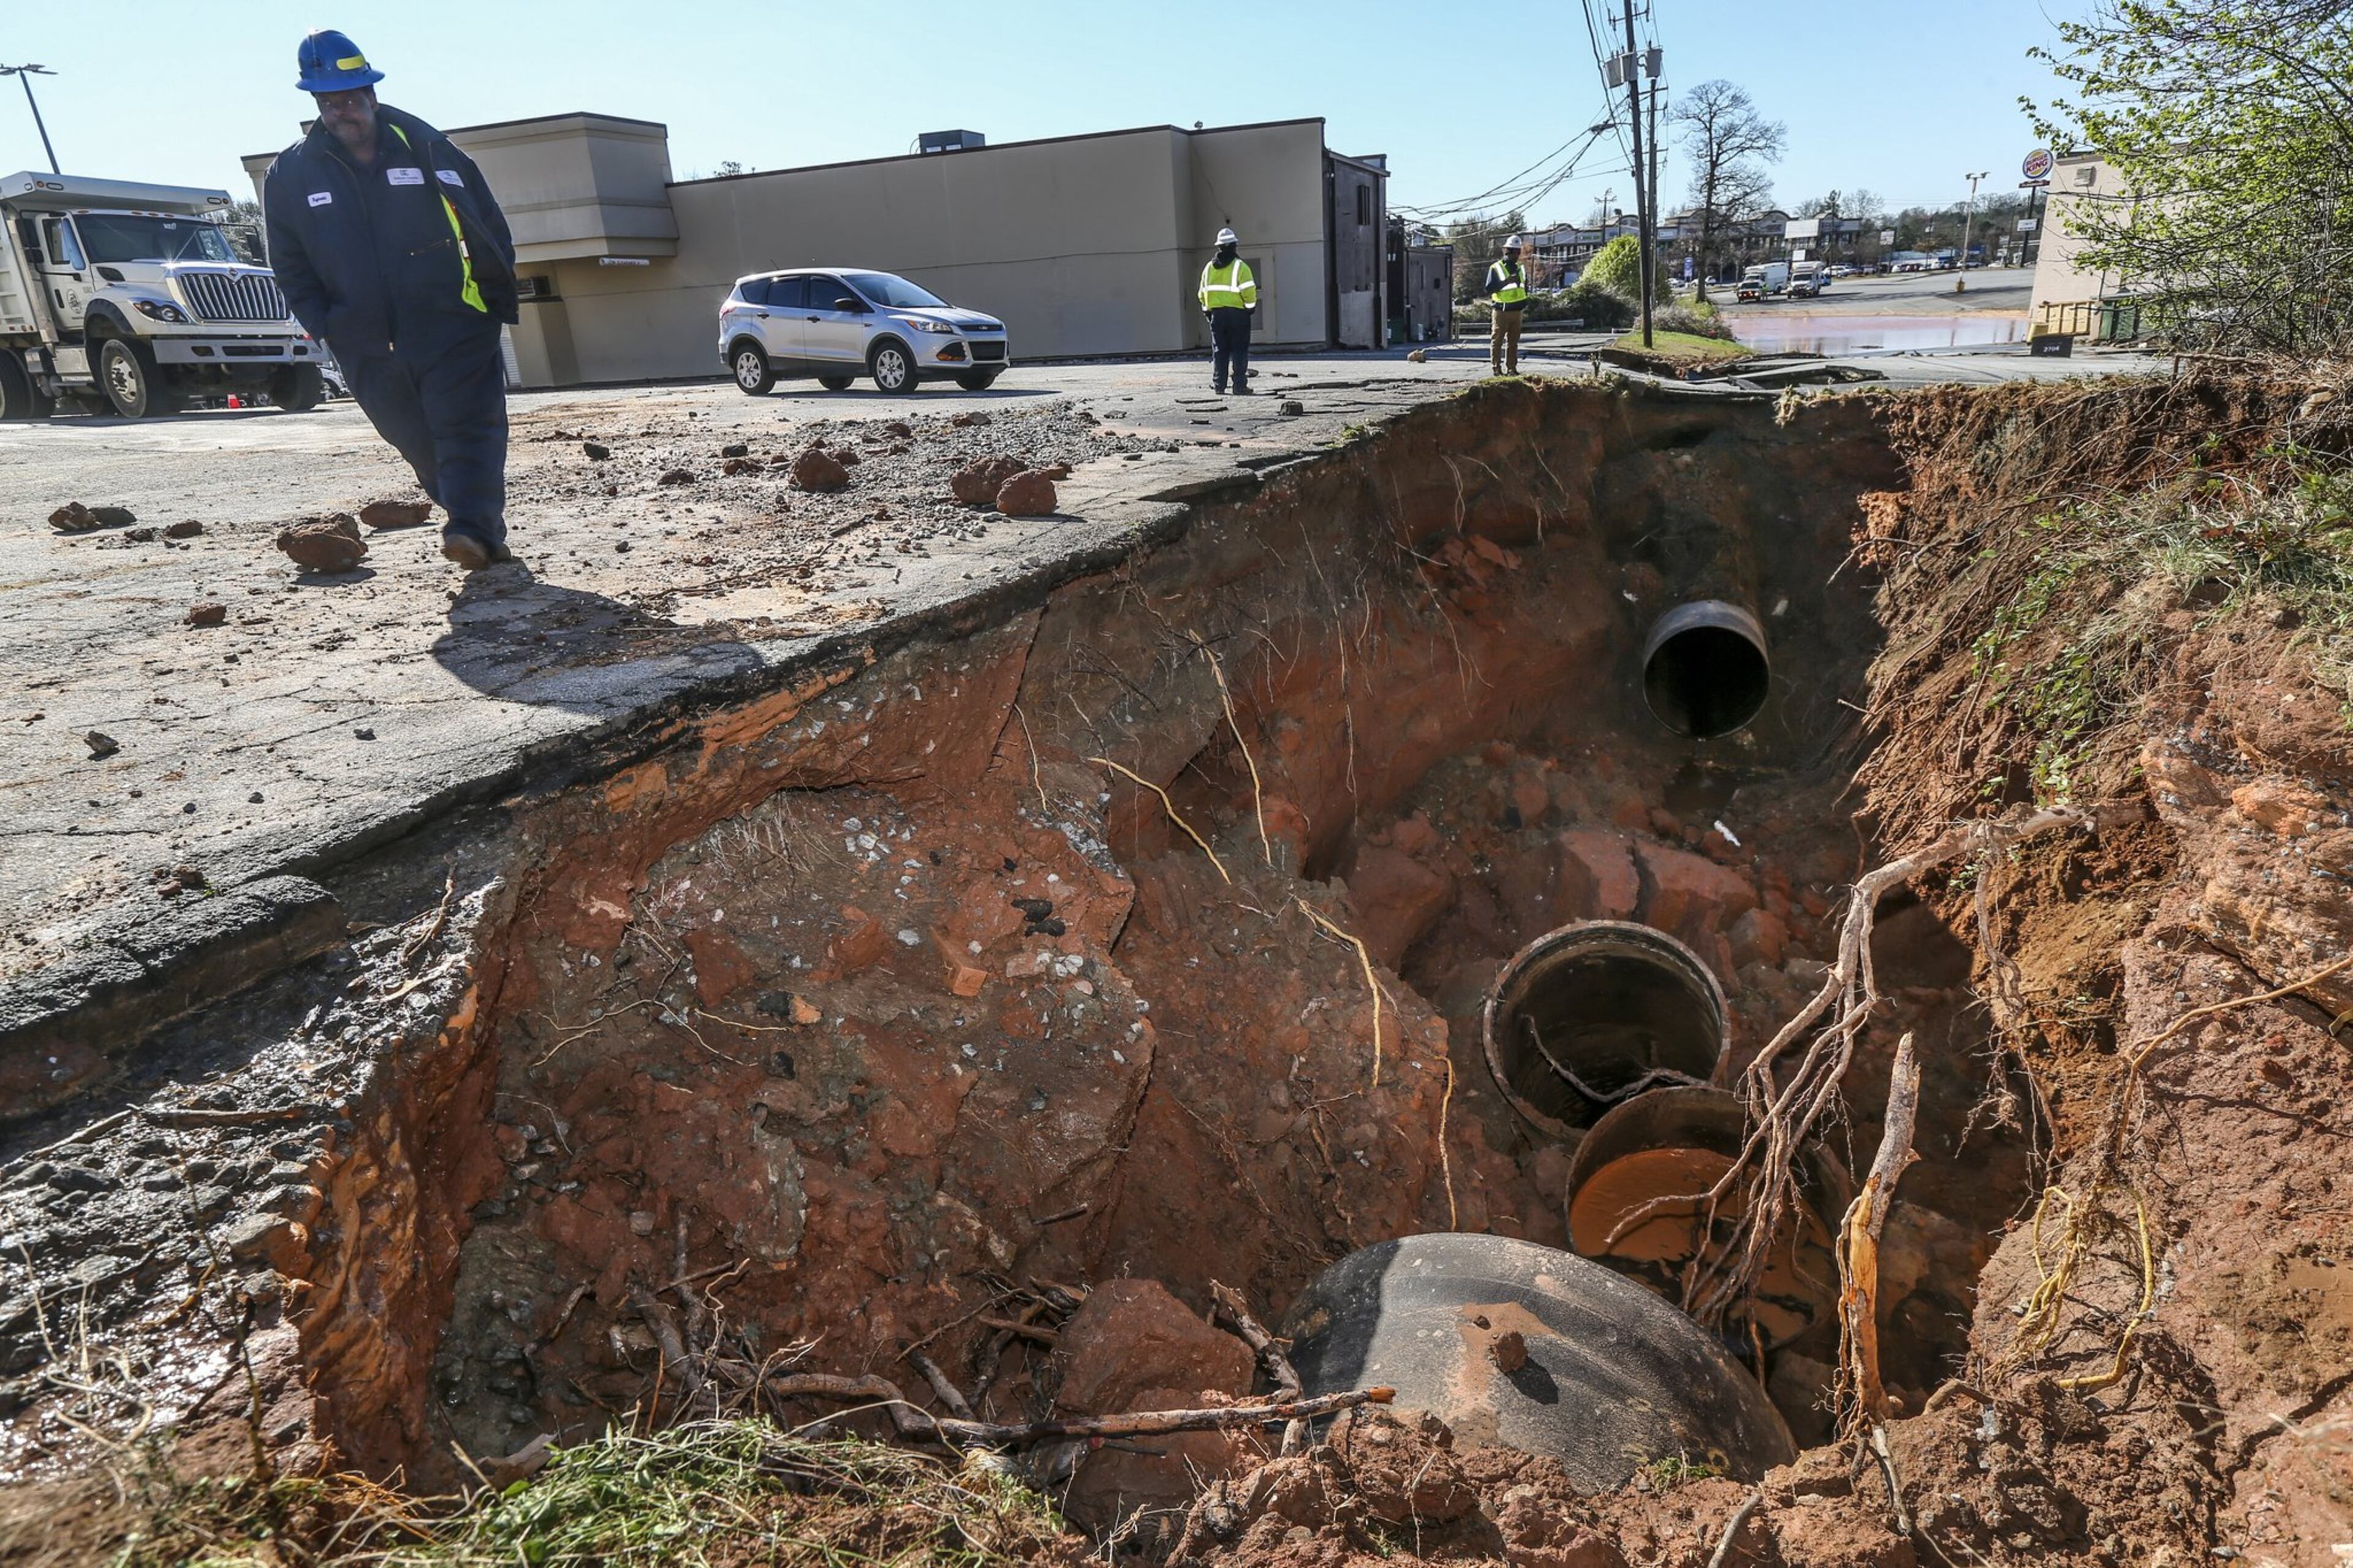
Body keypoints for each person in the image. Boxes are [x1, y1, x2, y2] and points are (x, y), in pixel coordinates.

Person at [262, 30, 520, 570]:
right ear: (315, 103)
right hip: (363, 338)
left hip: (451, 320)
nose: (342, 112)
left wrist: (492, 298)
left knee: (466, 426)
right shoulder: (291, 174)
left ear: (372, 94)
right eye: (329, 102)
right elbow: (288, 261)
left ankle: (470, 527)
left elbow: (485, 222)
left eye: (351, 98)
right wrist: (324, 324)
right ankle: (479, 527)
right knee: (417, 441)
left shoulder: (428, 146)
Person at [1198, 227, 1258, 395]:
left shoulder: (1209, 268)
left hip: (1217, 315)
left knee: (1220, 350)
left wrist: (1207, 311)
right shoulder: (1241, 267)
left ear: (1219, 247)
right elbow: (1249, 291)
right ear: (1234, 246)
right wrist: (1250, 307)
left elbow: (1202, 293)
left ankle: (1219, 386)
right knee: (1239, 350)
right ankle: (1239, 386)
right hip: (1238, 315)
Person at [1485, 235, 1529, 376]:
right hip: (1502, 310)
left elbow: (1524, 288)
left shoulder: (1521, 269)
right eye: (1513, 251)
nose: (1516, 254)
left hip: (1517, 311)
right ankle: (1497, 368)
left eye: (1518, 251)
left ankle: (1512, 368)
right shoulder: (1496, 268)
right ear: (1507, 251)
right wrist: (1507, 281)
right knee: (1497, 340)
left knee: (1513, 342)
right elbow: (1489, 288)